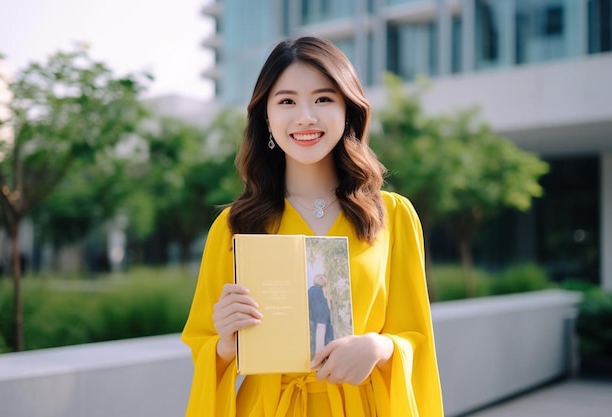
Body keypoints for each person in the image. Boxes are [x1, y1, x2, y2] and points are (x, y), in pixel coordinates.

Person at [181, 36, 443, 417]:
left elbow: (417, 337)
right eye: (286, 101)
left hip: (362, 407)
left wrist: (379, 348)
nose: (305, 116)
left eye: (323, 99)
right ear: (266, 116)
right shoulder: (234, 227)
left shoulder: (392, 215)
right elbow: (204, 347)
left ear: (348, 111)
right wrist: (225, 343)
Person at [308, 274, 334, 358]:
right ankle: (320, 357)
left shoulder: (310, 291)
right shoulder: (319, 291)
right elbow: (322, 307)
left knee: (318, 338)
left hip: (315, 318)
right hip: (321, 318)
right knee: (321, 338)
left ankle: (319, 356)